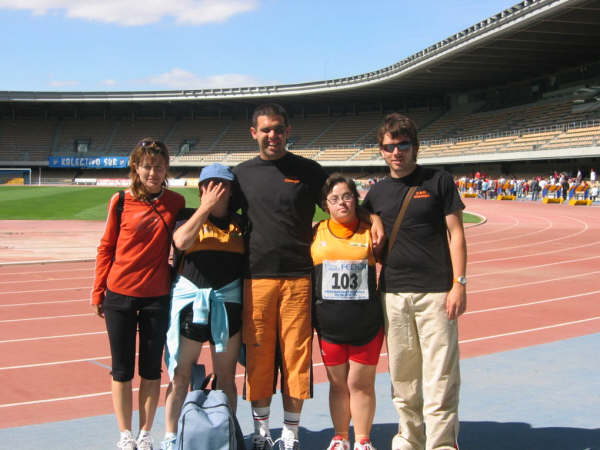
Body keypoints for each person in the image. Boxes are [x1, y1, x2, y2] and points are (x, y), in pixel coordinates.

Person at [233, 103, 383, 450]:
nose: (273, 135)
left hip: (300, 279)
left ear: (288, 130)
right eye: (266, 129)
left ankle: (291, 432)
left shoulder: (309, 170)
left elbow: (338, 202)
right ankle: (261, 431)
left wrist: (371, 218)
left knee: (295, 358)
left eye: (279, 128)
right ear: (254, 133)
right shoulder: (241, 174)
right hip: (256, 278)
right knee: (258, 357)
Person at [363, 113, 467, 450]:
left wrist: (459, 283)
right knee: (403, 377)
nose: (396, 152)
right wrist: (374, 218)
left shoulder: (438, 181)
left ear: (414, 146)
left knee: (440, 375)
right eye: (389, 146)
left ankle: (441, 444)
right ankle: (409, 437)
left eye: (402, 145)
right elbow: (362, 220)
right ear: (381, 151)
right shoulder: (376, 194)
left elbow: (456, 234)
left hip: (436, 292)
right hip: (392, 294)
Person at [92, 138, 185, 450]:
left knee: (149, 369)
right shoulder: (119, 201)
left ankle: (145, 433)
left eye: (159, 167)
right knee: (121, 370)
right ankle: (125, 434)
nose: (153, 172)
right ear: (136, 167)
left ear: (166, 169)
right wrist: (98, 292)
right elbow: (106, 247)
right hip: (119, 294)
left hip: (157, 297)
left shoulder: (176, 203)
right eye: (147, 166)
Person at [160, 163, 244, 450]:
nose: (217, 191)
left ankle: (226, 431)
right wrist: (205, 208)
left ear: (232, 190)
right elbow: (181, 242)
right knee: (180, 375)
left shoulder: (241, 224)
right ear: (201, 190)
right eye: (210, 185)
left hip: (227, 306)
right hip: (190, 307)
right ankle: (171, 436)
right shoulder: (187, 218)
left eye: (223, 185)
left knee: (226, 378)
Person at [311, 174, 383, 450]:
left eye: (347, 196)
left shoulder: (371, 232)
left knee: (360, 383)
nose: (341, 203)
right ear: (326, 205)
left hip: (366, 324)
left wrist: (375, 220)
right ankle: (340, 437)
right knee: (338, 384)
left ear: (356, 199)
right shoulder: (316, 232)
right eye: (334, 199)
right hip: (329, 326)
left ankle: (363, 440)